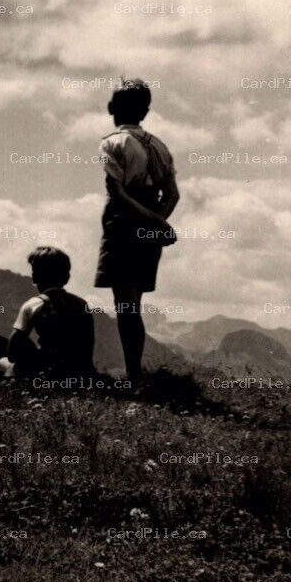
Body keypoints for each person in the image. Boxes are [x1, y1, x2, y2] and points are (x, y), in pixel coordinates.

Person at [95, 78, 178, 385]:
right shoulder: (160, 146)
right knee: (135, 303)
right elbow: (173, 194)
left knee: (125, 306)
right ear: (145, 112)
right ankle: (135, 375)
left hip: (122, 225)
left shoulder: (111, 143)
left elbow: (118, 194)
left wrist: (152, 222)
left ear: (111, 108)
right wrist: (157, 222)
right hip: (150, 229)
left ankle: (133, 377)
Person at [6, 246, 96, 383]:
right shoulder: (82, 304)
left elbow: (13, 349)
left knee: (1, 364)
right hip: (81, 372)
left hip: (49, 373)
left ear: (34, 277)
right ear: (67, 278)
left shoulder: (33, 305)